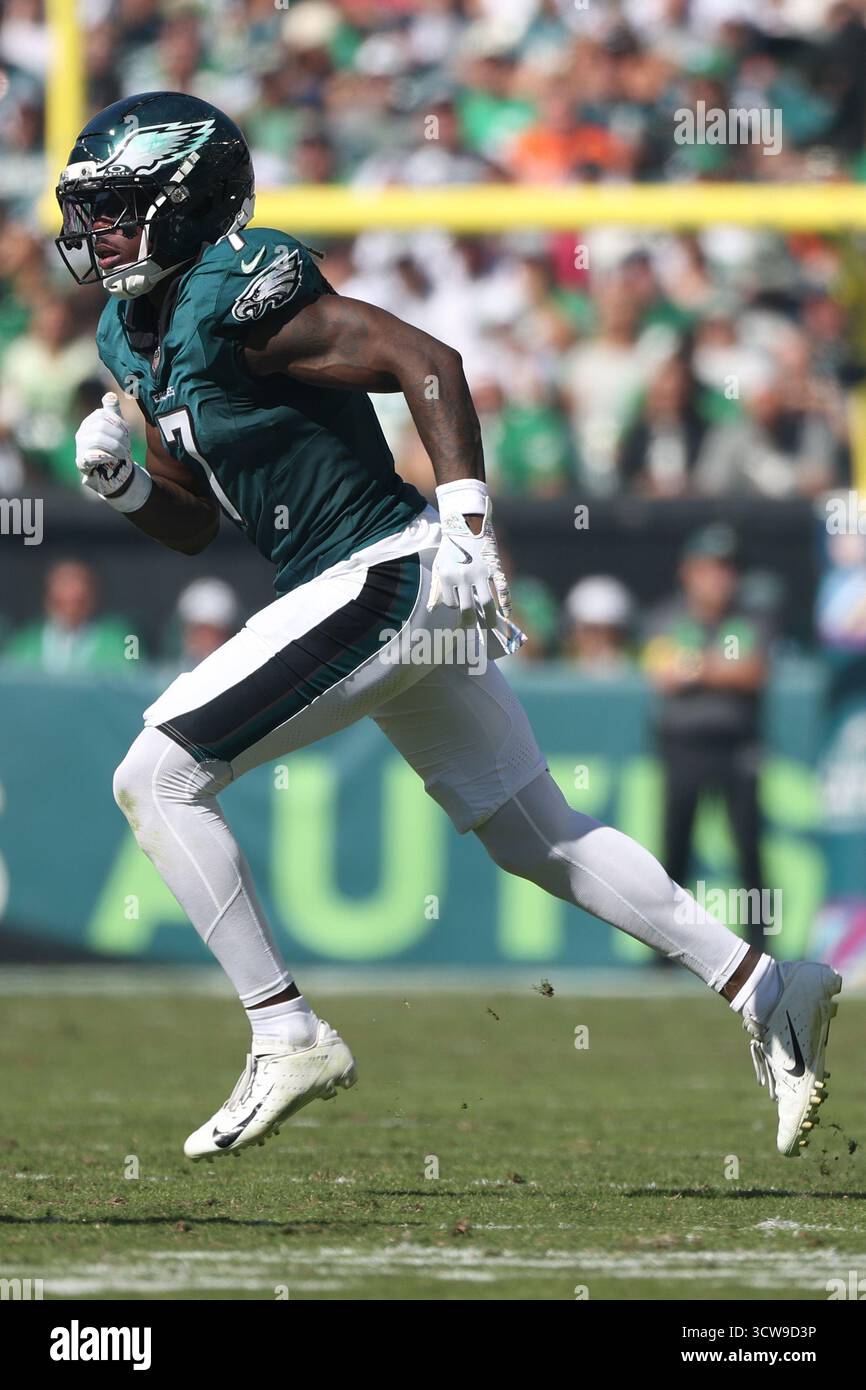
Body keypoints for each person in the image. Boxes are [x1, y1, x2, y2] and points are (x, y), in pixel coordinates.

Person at [57, 91, 839, 1162]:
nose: (94, 234)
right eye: (89, 211)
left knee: (157, 775)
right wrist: (128, 491)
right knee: (535, 831)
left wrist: (470, 525)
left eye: (117, 208)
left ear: (186, 204)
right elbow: (199, 528)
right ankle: (765, 985)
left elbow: (428, 361)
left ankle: (284, 1028)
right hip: (356, 581)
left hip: (386, 569)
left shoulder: (241, 288)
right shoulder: (128, 329)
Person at [643, 524, 770, 951]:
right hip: (683, 746)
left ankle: (761, 948)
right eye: (712, 568)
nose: (720, 579)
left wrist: (695, 666)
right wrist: (719, 669)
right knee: (675, 852)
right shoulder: (666, 616)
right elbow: (663, 672)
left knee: (749, 851)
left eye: (728, 569)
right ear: (689, 571)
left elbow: (753, 671)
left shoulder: (750, 618)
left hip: (737, 747)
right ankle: (667, 951)